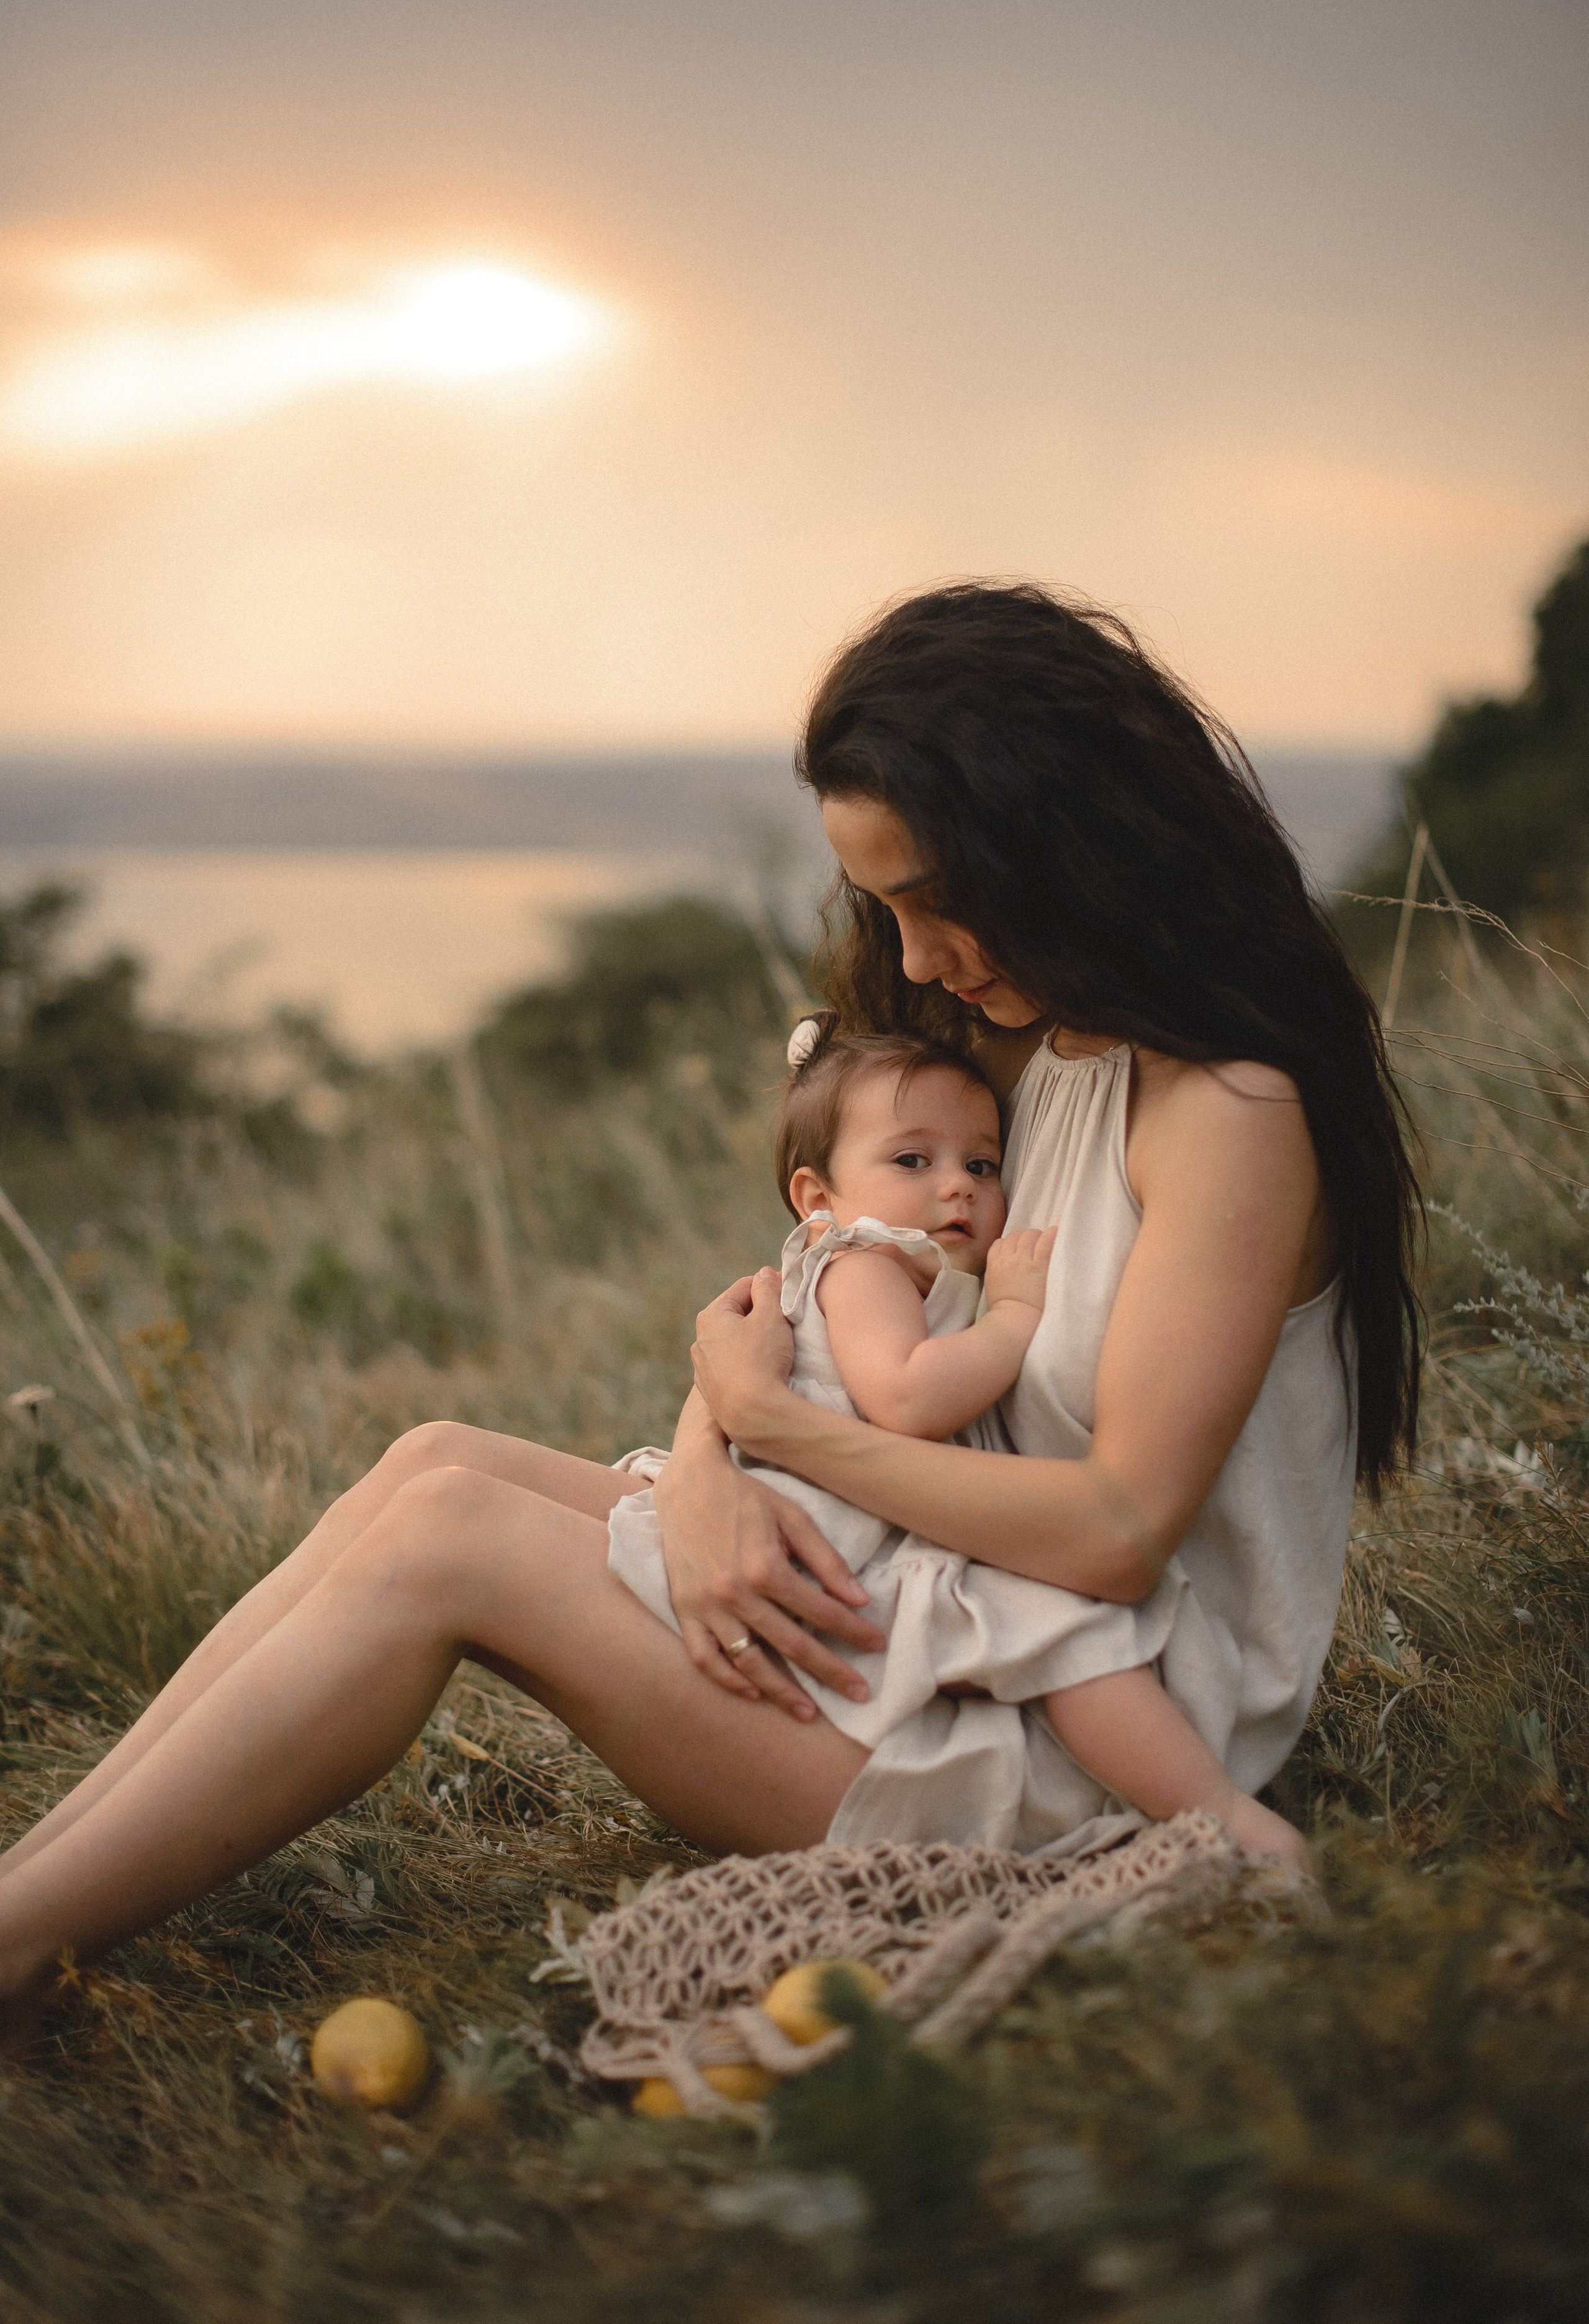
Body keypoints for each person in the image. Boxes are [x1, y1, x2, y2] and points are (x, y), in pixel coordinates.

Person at [0, 581, 1419, 2044]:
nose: (918, 957)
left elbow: (1117, 1534)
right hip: (935, 1626)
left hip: (1079, 1748)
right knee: (433, 1459)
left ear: (1064, 838)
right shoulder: (1023, 1049)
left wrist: (769, 1434)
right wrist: (702, 1468)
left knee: (447, 1545)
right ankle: (21, 1913)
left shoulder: (1229, 1113)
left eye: (938, 896)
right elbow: (807, 1289)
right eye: (884, 909)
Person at [609, 1019, 1307, 1863]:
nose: (959, 1188)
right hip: (847, 1531)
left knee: (1062, 1640)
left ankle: (1202, 1808)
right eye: (914, 1161)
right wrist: (1014, 1317)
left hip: (864, 1512)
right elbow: (905, 1397)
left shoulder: (901, 1267)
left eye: (981, 1164)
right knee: (1068, 1640)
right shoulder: (862, 1262)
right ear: (815, 1197)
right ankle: (1218, 1814)